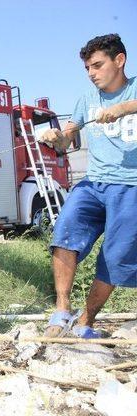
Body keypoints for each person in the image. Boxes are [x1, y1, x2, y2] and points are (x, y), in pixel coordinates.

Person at [42, 34, 137, 338]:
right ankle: (61, 309)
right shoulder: (87, 99)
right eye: (87, 68)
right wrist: (58, 138)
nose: (92, 73)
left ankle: (86, 322)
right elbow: (69, 134)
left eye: (97, 65)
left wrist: (123, 108)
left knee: (114, 257)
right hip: (93, 184)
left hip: (130, 188)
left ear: (119, 60)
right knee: (64, 231)